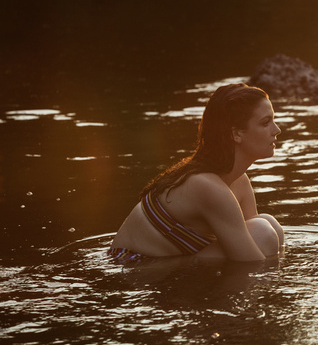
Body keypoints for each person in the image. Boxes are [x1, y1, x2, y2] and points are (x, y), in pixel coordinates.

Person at [109, 84, 284, 264]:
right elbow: (252, 263)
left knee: (267, 224)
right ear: (237, 134)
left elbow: (256, 246)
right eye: (265, 123)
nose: (276, 130)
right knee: (262, 232)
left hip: (173, 268)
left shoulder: (239, 182)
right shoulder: (207, 186)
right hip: (135, 269)